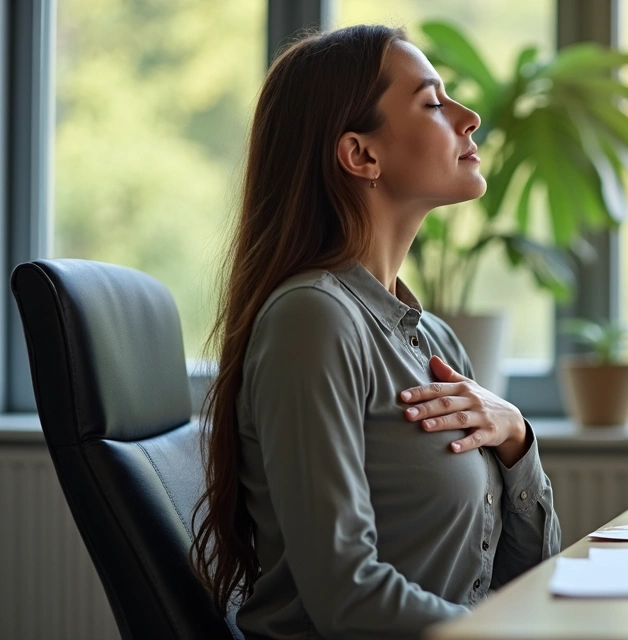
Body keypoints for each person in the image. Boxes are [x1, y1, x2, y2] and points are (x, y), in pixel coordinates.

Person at [190, 25, 561, 639]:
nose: (468, 119)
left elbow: (522, 582)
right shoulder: (311, 320)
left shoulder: (436, 342)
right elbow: (347, 596)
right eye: (432, 103)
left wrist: (518, 439)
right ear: (361, 155)